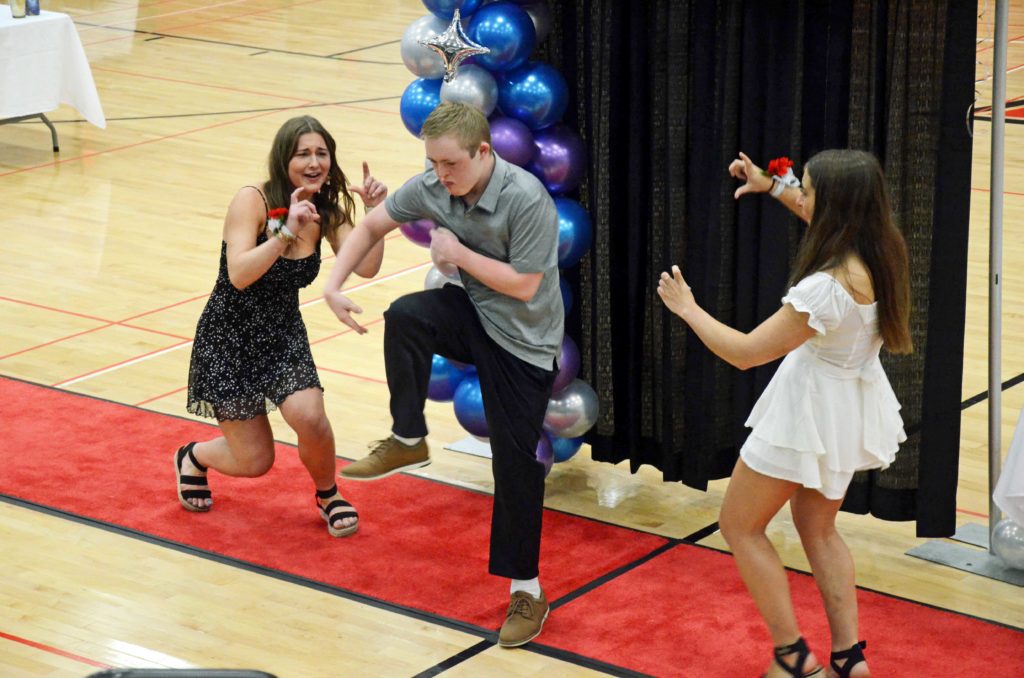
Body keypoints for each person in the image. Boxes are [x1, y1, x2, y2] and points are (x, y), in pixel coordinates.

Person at [658, 149, 911, 678]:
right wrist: (772, 188)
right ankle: (848, 658)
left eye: (810, 188)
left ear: (837, 207)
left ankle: (793, 656)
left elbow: (747, 352)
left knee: (740, 526)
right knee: (819, 531)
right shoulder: (883, 249)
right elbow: (817, 215)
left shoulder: (824, 289)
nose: (804, 195)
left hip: (806, 410)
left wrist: (688, 308)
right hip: (846, 406)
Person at [322, 102, 562, 647]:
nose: (439, 175)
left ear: (484, 153)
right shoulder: (434, 182)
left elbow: (525, 285)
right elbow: (375, 224)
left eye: (450, 164)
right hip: (475, 316)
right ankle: (408, 436)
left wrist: (456, 253)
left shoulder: (525, 198)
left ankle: (528, 591)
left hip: (524, 342)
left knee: (515, 465)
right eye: (431, 163)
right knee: (407, 315)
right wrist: (335, 284)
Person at [174, 115, 387, 538]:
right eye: (302, 153)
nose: (313, 162)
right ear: (283, 159)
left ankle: (328, 494)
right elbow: (238, 273)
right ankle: (194, 455)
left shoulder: (327, 209)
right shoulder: (252, 200)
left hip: (282, 333)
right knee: (255, 463)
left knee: (310, 416)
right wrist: (286, 233)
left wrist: (375, 214)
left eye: (321, 153)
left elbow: (367, 266)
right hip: (228, 338)